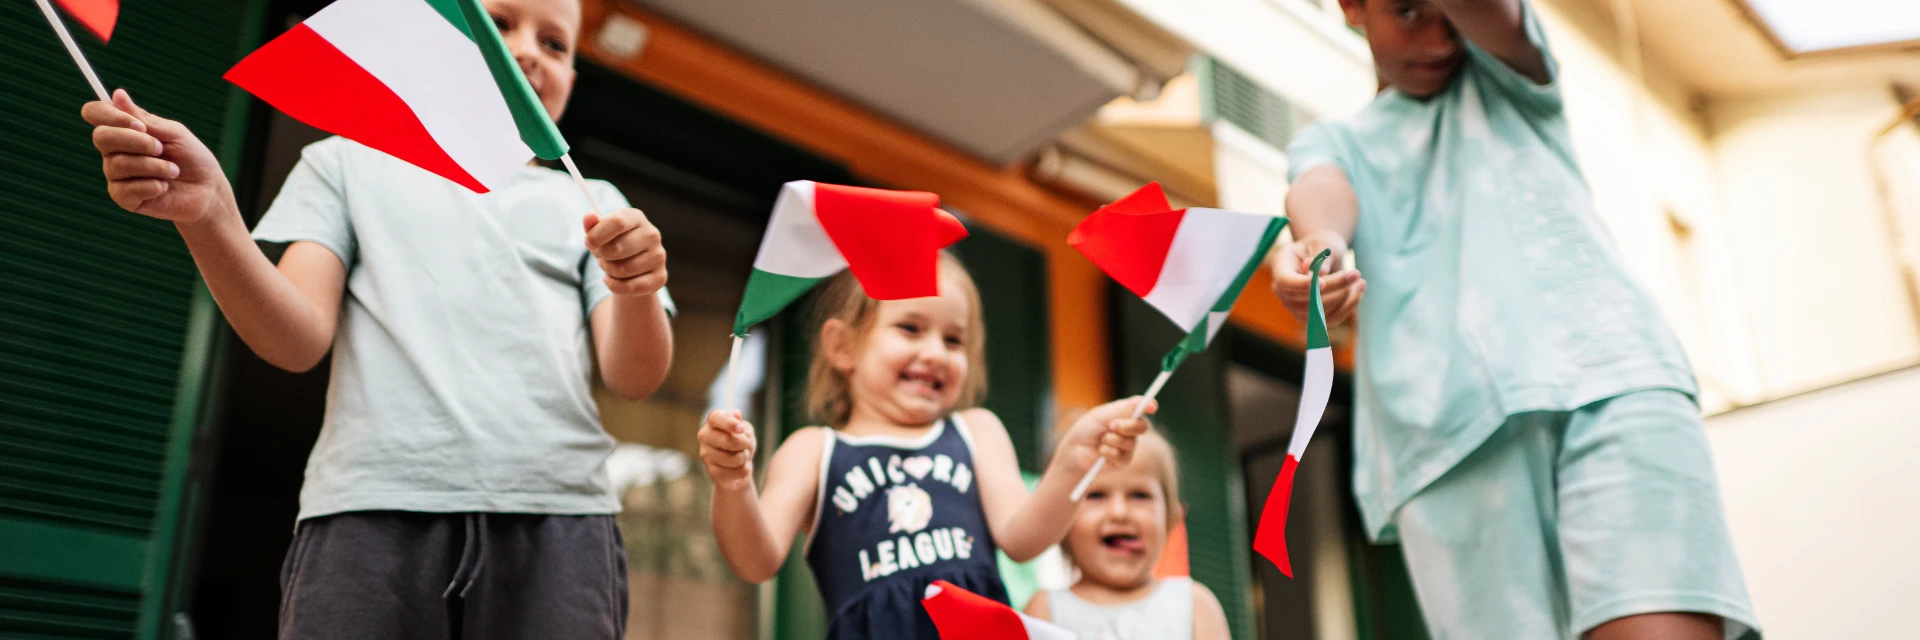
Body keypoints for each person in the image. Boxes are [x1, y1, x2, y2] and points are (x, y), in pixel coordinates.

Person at [78, 0, 670, 636]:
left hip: (560, 520)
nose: (527, 50)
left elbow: (633, 376)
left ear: (573, 80)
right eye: (499, 25)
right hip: (369, 510)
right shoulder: (345, 163)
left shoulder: (595, 204)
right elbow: (297, 338)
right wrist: (213, 216)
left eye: (556, 45)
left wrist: (636, 287)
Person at [1266, 1, 1760, 638]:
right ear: (1352, 8)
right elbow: (1320, 190)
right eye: (1410, 10)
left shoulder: (1510, 71)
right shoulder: (1333, 141)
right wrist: (1319, 246)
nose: (1440, 37)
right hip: (1447, 439)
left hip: (1612, 382)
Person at [698, 252, 1151, 639]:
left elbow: (1022, 538)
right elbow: (755, 562)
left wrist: (1075, 459)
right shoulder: (813, 450)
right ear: (843, 347)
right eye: (911, 328)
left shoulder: (978, 431)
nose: (935, 352)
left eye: (954, 339)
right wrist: (733, 482)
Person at [1023, 429, 1229, 640]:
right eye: (1096, 495)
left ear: (1172, 517)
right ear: (1058, 519)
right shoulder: (1043, 610)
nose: (1119, 512)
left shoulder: (1196, 605)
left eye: (1140, 495)